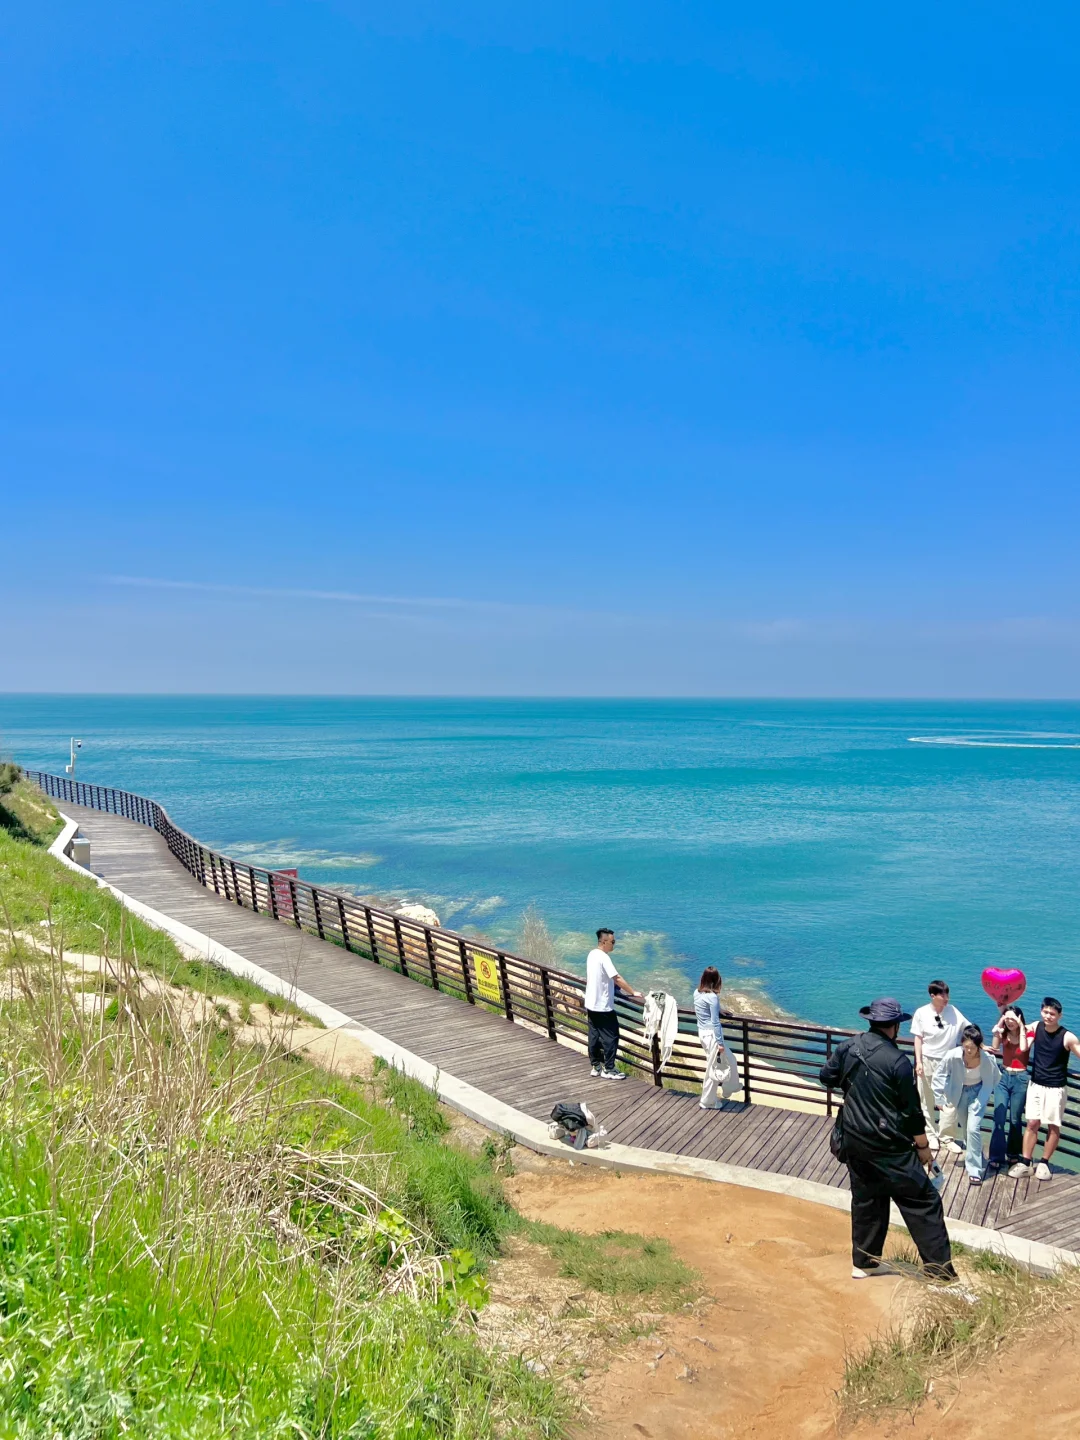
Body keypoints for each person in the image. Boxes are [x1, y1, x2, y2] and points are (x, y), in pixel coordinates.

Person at [820, 997, 957, 1283]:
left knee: (868, 1199)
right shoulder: (898, 1061)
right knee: (924, 1203)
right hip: (890, 1147)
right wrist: (923, 1147)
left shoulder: (848, 1046)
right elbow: (911, 1113)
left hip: (855, 1139)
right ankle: (940, 1275)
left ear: (871, 1020)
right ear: (894, 1026)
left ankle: (865, 1263)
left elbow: (826, 1077)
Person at [1010, 998, 1080, 1180]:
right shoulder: (1035, 1027)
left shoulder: (1068, 1037)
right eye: (1046, 1012)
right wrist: (1004, 1008)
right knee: (1032, 1123)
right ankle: (1025, 1162)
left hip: (1056, 1088)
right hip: (1036, 1084)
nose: (1048, 1016)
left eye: (1052, 1014)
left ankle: (1044, 1162)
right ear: (1041, 1011)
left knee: (1053, 1125)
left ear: (1059, 1016)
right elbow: (1017, 1034)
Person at [931, 1024, 1000, 1185]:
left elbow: (992, 1081)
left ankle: (974, 1169)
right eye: (966, 1046)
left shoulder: (987, 1059)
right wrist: (939, 1098)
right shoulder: (953, 1056)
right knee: (966, 1129)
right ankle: (975, 1153)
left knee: (973, 1128)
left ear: (979, 1046)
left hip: (978, 1092)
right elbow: (939, 1075)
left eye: (973, 1047)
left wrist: (980, 1100)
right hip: (959, 1093)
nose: (969, 1051)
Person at [909, 980, 969, 1150]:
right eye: (942, 994)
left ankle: (947, 1137)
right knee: (926, 1099)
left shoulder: (953, 1012)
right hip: (928, 1059)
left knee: (950, 1100)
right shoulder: (921, 1013)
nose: (946, 998)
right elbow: (918, 1039)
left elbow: (969, 1029)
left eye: (947, 994)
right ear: (932, 995)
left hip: (949, 1061)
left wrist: (979, 1045)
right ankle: (930, 1134)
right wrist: (918, 1062)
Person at [584, 929, 644, 1080]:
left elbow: (601, 976)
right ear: (604, 942)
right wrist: (632, 991)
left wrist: (614, 987)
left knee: (594, 1035)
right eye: (613, 942)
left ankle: (596, 1066)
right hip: (603, 1006)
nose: (614, 944)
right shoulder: (604, 958)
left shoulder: (592, 954)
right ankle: (609, 1069)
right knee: (611, 1037)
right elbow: (616, 977)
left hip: (591, 1003)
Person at [987, 1006, 1029, 1170]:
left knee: (1015, 1119)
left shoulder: (1027, 1033)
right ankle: (996, 1156)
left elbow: (1024, 1047)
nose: (1010, 1022)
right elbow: (995, 1047)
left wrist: (1020, 1025)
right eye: (1007, 1019)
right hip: (1003, 1077)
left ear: (1019, 1018)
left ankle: (1013, 1154)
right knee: (999, 1117)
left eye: (1013, 1019)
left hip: (1021, 1078)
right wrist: (1001, 1022)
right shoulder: (1003, 1032)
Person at [694, 967, 725, 1110]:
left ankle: (711, 1098)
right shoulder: (712, 997)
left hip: (702, 1033)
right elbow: (715, 1022)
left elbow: (706, 1010)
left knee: (712, 1066)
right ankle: (707, 1101)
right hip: (712, 1036)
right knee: (713, 1069)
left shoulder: (696, 993)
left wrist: (719, 1009)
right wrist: (720, 1042)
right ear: (716, 980)